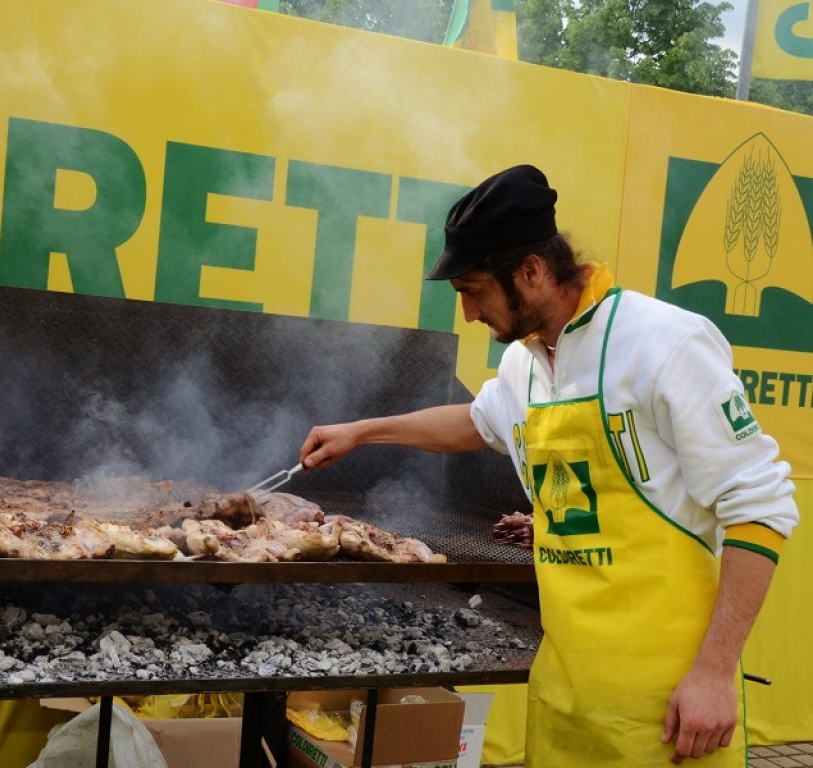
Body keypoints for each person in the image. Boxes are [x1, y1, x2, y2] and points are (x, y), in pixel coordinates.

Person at [298, 165, 799, 767]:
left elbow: (760, 507)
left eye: (474, 291)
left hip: (669, 707)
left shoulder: (666, 343)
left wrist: (716, 673)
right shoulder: (526, 364)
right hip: (563, 697)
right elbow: (478, 422)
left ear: (532, 271)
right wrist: (363, 432)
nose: (469, 314)